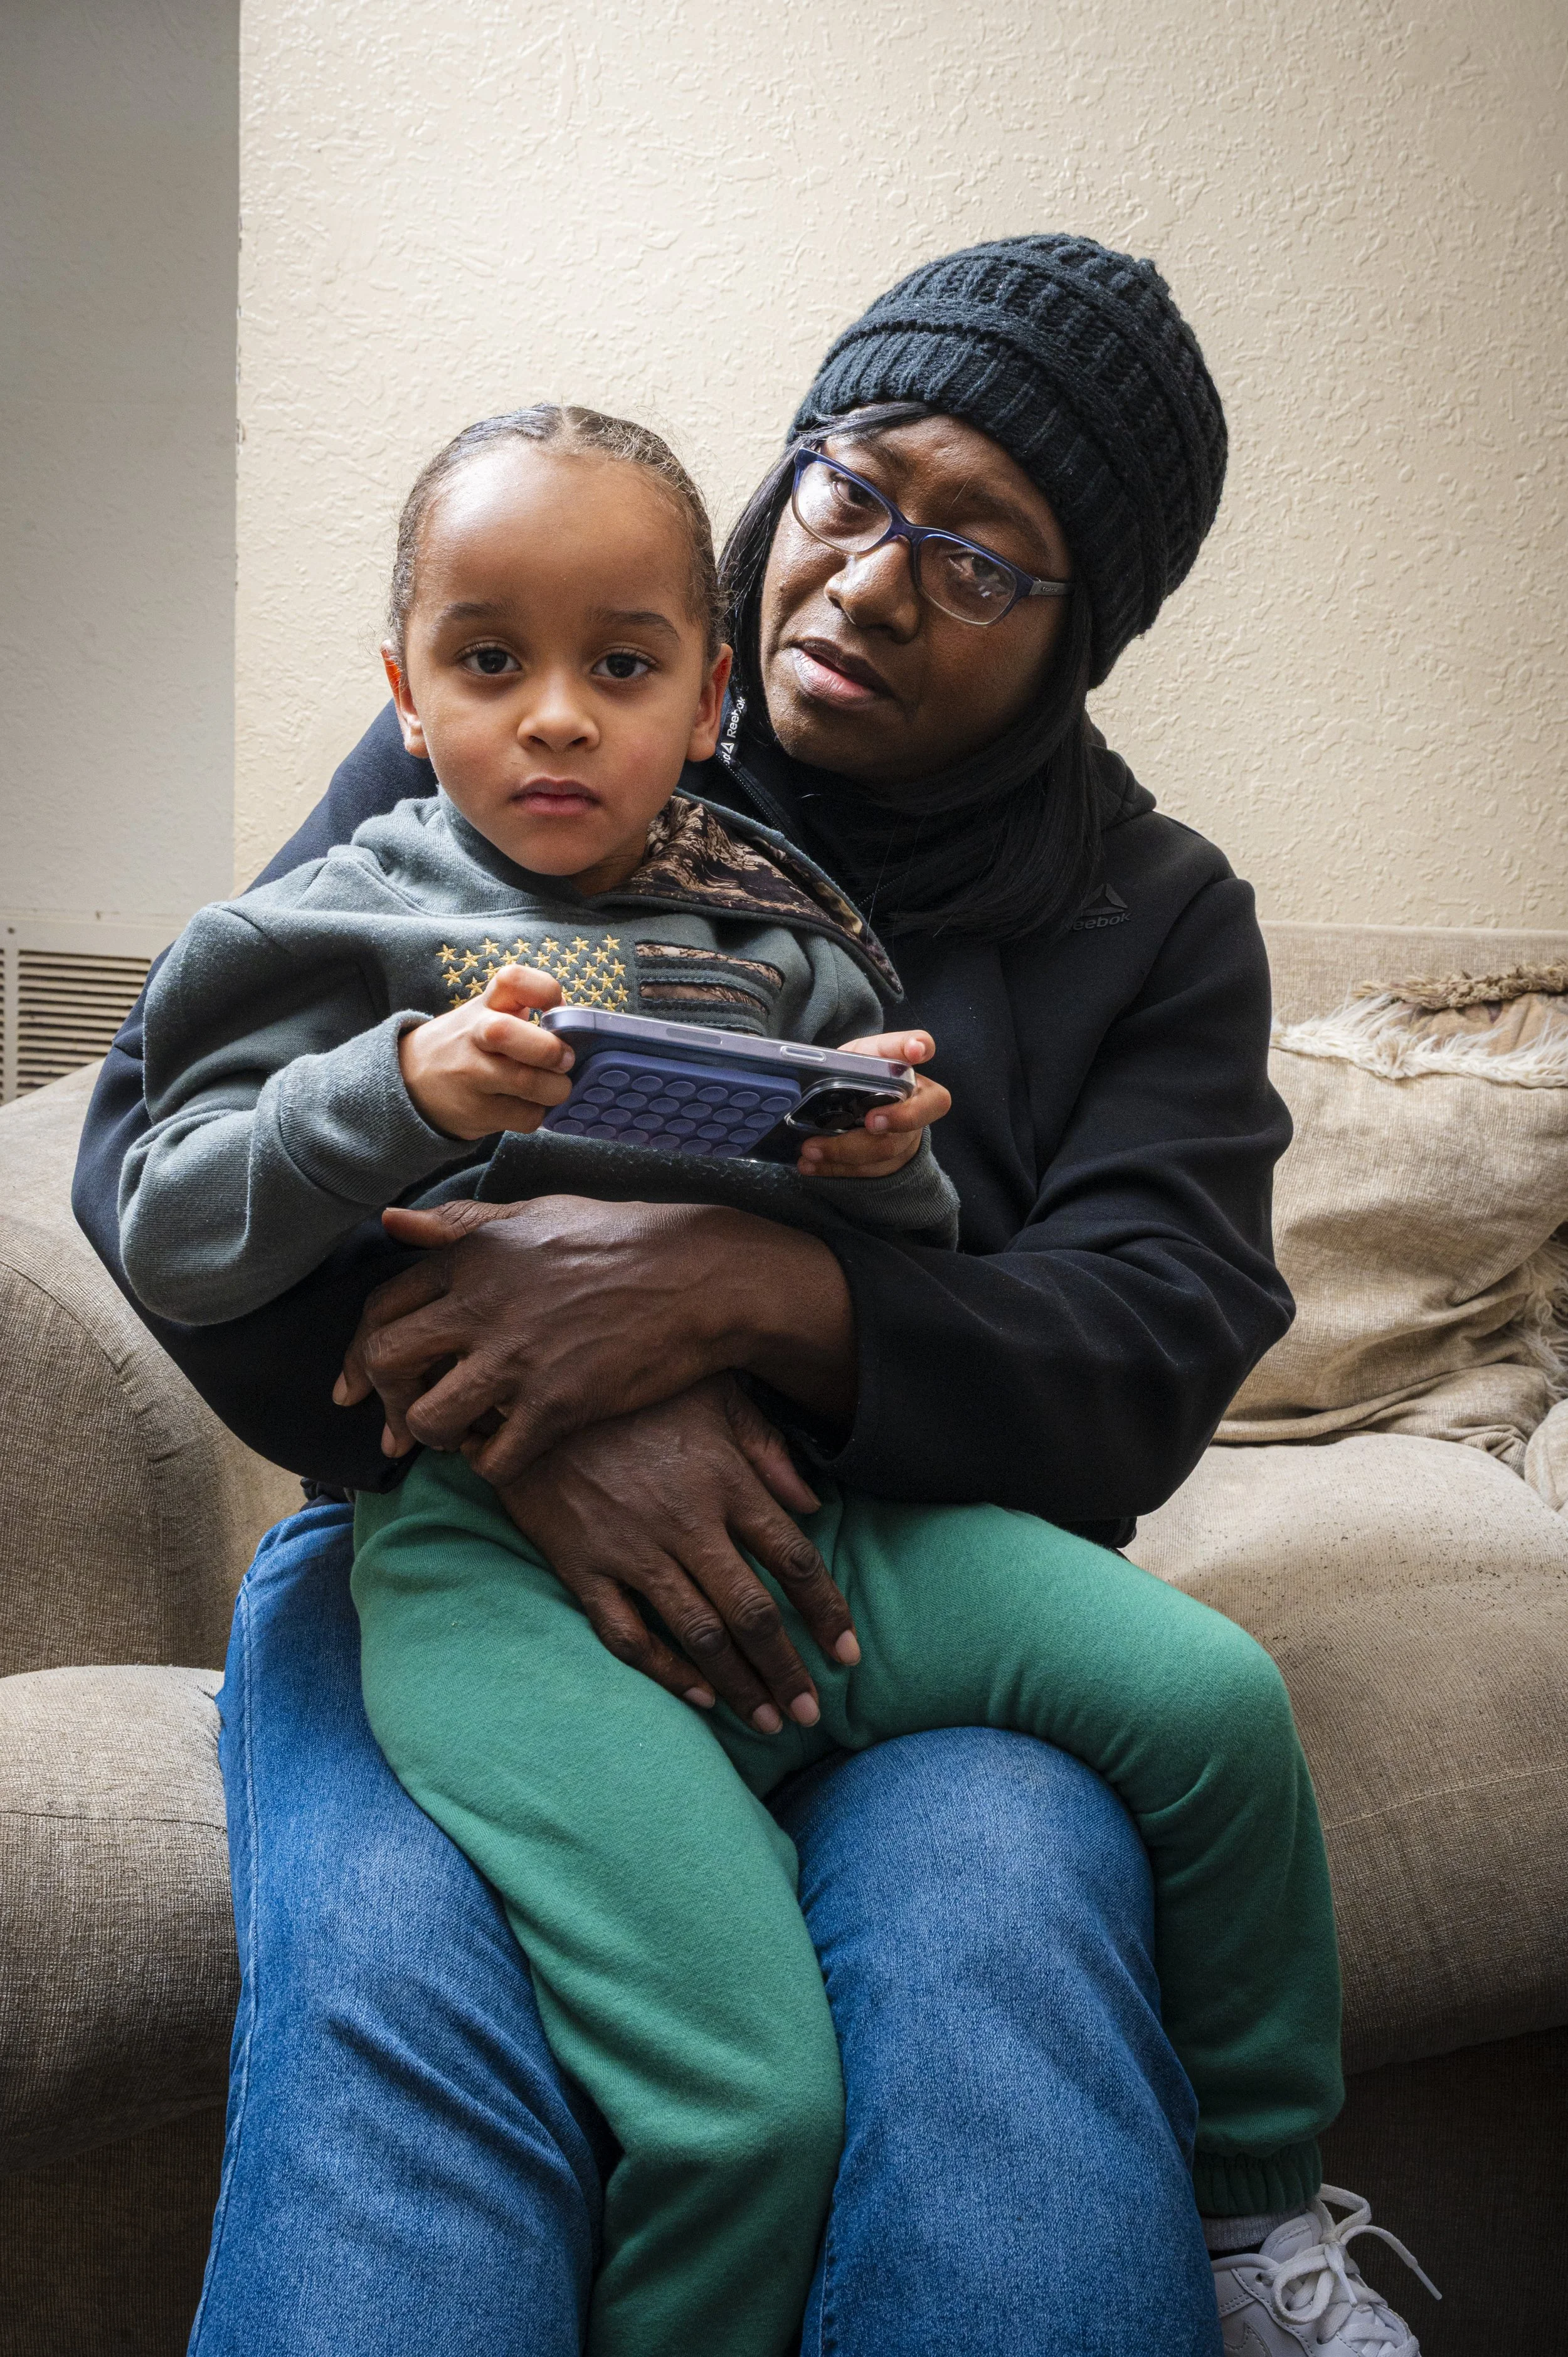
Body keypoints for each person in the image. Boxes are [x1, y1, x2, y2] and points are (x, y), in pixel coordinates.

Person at [74, 233, 1432, 2356]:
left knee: (998, 2007)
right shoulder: (537, 710)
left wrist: (745, 1288)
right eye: (852, 486)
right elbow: (164, 1165)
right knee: (413, 2024)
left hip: (898, 1586)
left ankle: (1255, 2236)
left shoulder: (1152, 916)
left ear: (1096, 631)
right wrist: (553, 1422)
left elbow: (1149, 1344)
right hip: (448, 1545)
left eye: (982, 557)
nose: (873, 579)